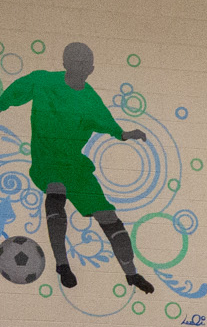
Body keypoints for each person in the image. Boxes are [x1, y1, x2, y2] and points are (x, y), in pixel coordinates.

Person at [0, 43, 156, 294]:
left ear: (92, 69)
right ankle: (63, 265)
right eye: (76, 60)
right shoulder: (42, 81)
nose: (81, 66)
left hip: (76, 167)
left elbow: (109, 124)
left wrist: (126, 134)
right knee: (56, 190)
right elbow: (11, 95)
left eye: (86, 63)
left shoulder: (90, 99)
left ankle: (131, 273)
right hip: (47, 161)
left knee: (109, 218)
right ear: (64, 62)